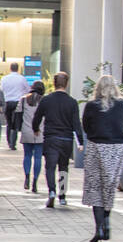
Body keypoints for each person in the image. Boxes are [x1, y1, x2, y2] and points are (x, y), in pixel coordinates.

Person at [81, 74, 123, 242]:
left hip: (96, 145)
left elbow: (85, 126)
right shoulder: (121, 104)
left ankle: (99, 227)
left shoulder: (92, 105)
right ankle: (107, 221)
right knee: (109, 187)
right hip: (116, 147)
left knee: (95, 187)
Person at [32, 71, 84, 208]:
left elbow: (37, 116)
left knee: (50, 166)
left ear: (54, 84)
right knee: (63, 167)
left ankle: (52, 192)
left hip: (51, 138)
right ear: (66, 84)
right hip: (66, 139)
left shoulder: (46, 100)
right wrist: (80, 141)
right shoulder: (72, 102)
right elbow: (76, 124)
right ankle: (62, 195)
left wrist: (35, 128)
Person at [18, 80, 46, 192]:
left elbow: (18, 114)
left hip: (27, 130)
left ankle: (27, 177)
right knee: (38, 157)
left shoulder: (24, 99)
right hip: (40, 131)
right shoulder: (44, 100)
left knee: (27, 155)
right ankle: (35, 181)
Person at [0, 62, 29, 150]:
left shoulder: (4, 79)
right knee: (16, 123)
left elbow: (1, 90)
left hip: (7, 102)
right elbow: (27, 90)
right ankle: (13, 143)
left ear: (10, 68)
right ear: (18, 68)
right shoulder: (22, 79)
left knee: (9, 122)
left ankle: (9, 142)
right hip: (18, 102)